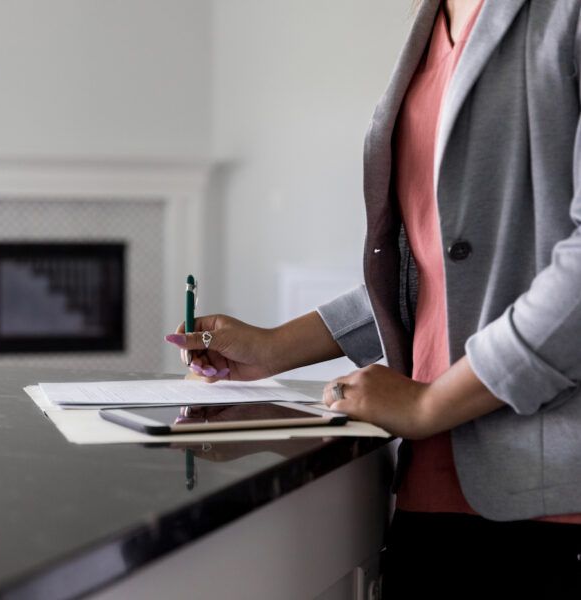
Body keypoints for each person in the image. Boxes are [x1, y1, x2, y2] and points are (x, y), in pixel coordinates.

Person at [165, 1, 581, 597]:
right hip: (431, 490)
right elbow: (437, 268)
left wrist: (431, 403)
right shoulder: (433, 20)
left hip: (555, 500)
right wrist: (275, 347)